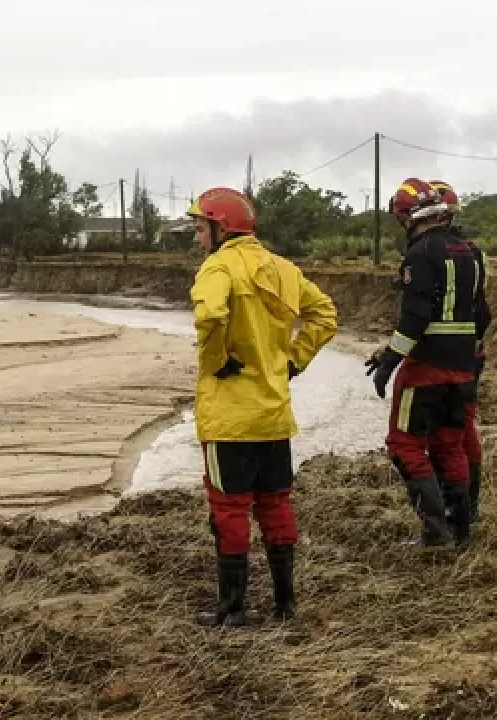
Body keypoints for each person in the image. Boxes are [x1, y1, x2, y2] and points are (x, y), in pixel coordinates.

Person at [187, 187, 338, 626]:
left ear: (221, 227)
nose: (198, 239)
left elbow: (209, 317)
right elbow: (325, 315)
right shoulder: (283, 269)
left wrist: (215, 361)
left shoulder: (216, 268)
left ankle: (232, 609)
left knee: (229, 509)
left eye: (200, 229)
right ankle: (285, 605)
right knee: (275, 503)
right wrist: (293, 359)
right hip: (274, 413)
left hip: (229, 418)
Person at [365, 178, 490, 549]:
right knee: (450, 445)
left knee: (404, 444)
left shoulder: (420, 253)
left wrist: (391, 359)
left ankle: (435, 533)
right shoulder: (471, 252)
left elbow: (416, 316)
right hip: (464, 365)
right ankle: (460, 529)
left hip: (425, 368)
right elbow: (481, 314)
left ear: (407, 216)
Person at [429, 180, 488, 521]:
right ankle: (462, 505)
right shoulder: (471, 252)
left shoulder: (450, 253)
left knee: (453, 431)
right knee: (458, 428)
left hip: (452, 355)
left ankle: (460, 507)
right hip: (468, 350)